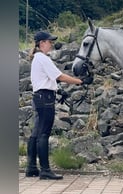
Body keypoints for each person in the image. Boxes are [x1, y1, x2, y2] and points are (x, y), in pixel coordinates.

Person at [26, 31, 93, 180]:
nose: (51, 44)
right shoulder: (43, 58)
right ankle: (45, 170)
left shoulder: (37, 58)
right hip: (45, 99)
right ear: (42, 43)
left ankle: (31, 167)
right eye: (49, 42)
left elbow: (47, 79)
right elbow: (59, 76)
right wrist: (81, 81)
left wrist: (59, 90)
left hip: (39, 97)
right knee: (43, 134)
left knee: (36, 133)